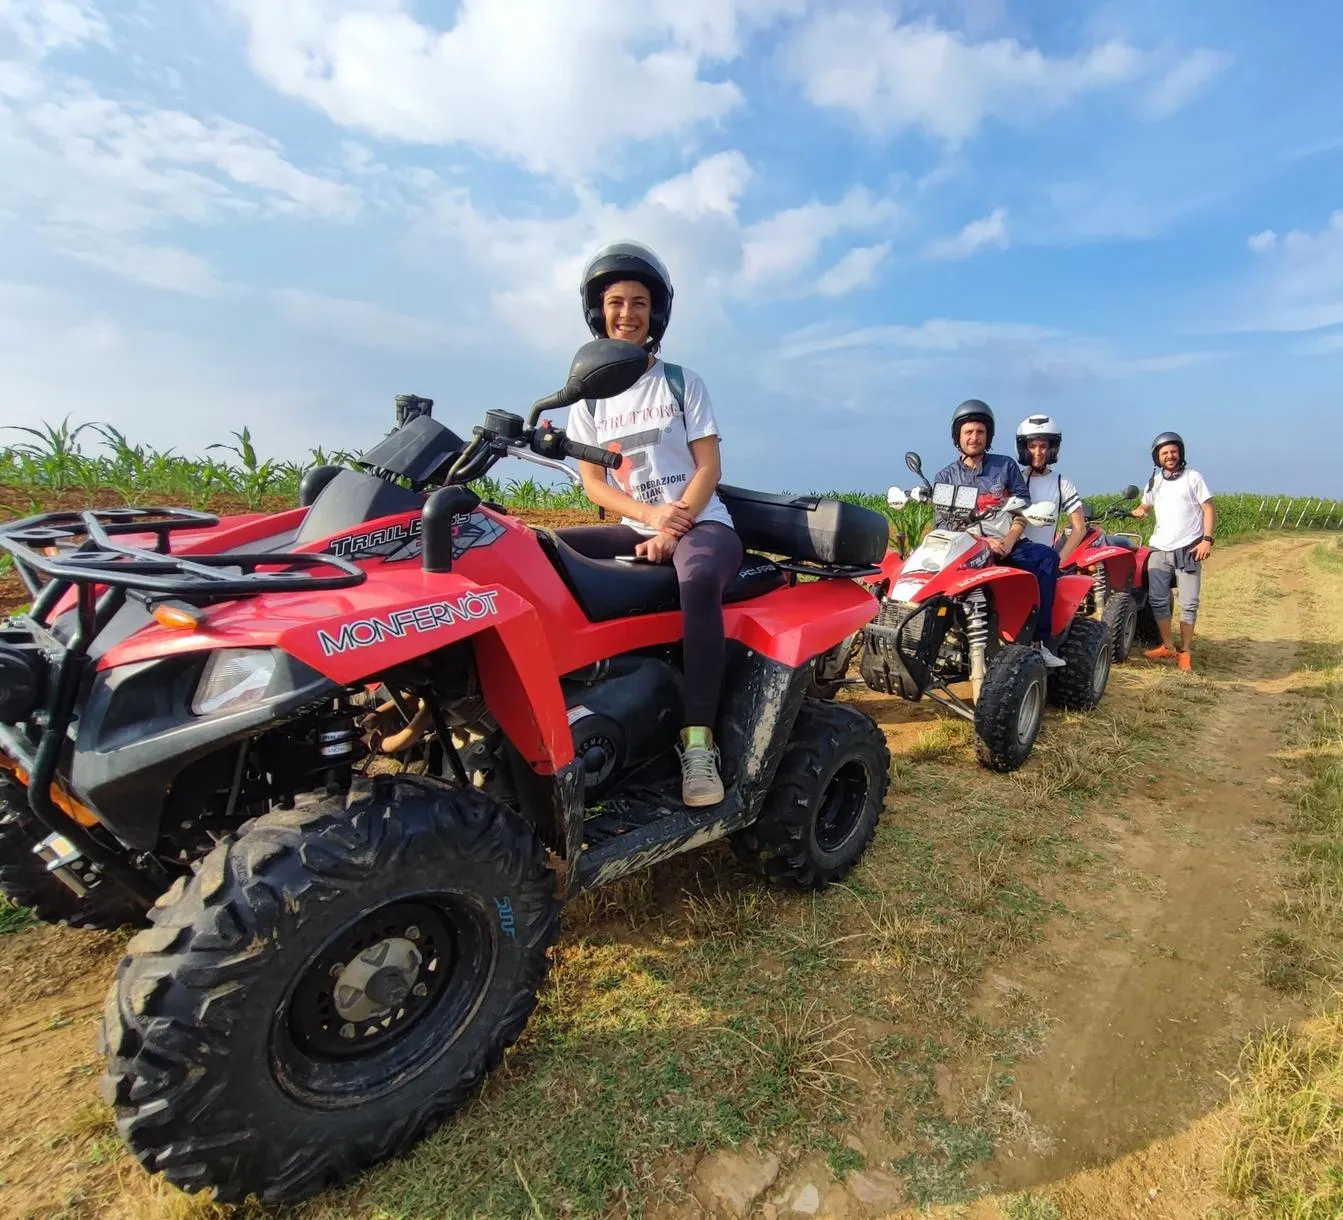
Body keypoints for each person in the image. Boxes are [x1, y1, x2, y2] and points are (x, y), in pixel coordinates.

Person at [561, 240, 742, 807]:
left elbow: (709, 467)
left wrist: (672, 529)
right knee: (541, 552)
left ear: (655, 313)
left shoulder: (682, 382)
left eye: (639, 302)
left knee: (696, 582)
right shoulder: (588, 396)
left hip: (703, 523)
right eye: (616, 302)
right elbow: (594, 484)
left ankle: (697, 742)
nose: (627, 313)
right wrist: (646, 519)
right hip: (640, 521)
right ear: (599, 311)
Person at [934, 400, 1067, 668]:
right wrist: (982, 542)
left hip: (1007, 544)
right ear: (958, 437)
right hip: (964, 547)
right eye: (968, 432)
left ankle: (1039, 643)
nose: (974, 438)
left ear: (988, 436)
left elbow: (1022, 511)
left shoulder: (1004, 467)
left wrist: (1007, 542)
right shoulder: (946, 476)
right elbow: (943, 524)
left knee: (1046, 559)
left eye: (980, 432)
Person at [1130, 431, 1215, 673]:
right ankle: (1167, 646)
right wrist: (1140, 510)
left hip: (1189, 548)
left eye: (1173, 451)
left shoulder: (1193, 478)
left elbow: (1208, 509)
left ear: (1180, 454)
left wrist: (1207, 540)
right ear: (1157, 457)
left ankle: (1185, 651)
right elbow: (1146, 504)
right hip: (1159, 548)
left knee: (1189, 602)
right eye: (1164, 452)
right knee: (1157, 600)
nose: (1169, 456)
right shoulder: (1155, 481)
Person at [1015, 414, 1086, 563]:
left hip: (1044, 560)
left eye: (1044, 446)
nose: (1038, 452)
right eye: (1032, 446)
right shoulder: (1015, 479)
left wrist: (1059, 560)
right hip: (1015, 556)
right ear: (1024, 449)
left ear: (1052, 449)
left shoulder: (1062, 483)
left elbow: (1079, 528)